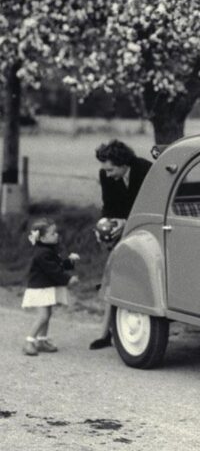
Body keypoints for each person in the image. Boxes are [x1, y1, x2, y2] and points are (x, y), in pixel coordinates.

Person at [89, 140, 152, 350]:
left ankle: (126, 328)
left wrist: (126, 222)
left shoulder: (145, 170)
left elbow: (151, 206)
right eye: (105, 170)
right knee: (113, 276)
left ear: (123, 163)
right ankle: (105, 333)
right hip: (123, 230)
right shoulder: (105, 175)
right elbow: (109, 205)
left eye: (111, 170)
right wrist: (104, 224)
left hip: (147, 230)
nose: (107, 175)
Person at [21, 219, 80, 356]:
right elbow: (53, 271)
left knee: (48, 315)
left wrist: (70, 261)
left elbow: (59, 264)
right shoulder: (42, 254)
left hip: (46, 288)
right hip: (39, 289)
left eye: (56, 232)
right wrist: (68, 279)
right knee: (43, 316)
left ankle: (42, 340)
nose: (56, 235)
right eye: (53, 233)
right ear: (42, 238)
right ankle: (29, 341)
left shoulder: (48, 250)